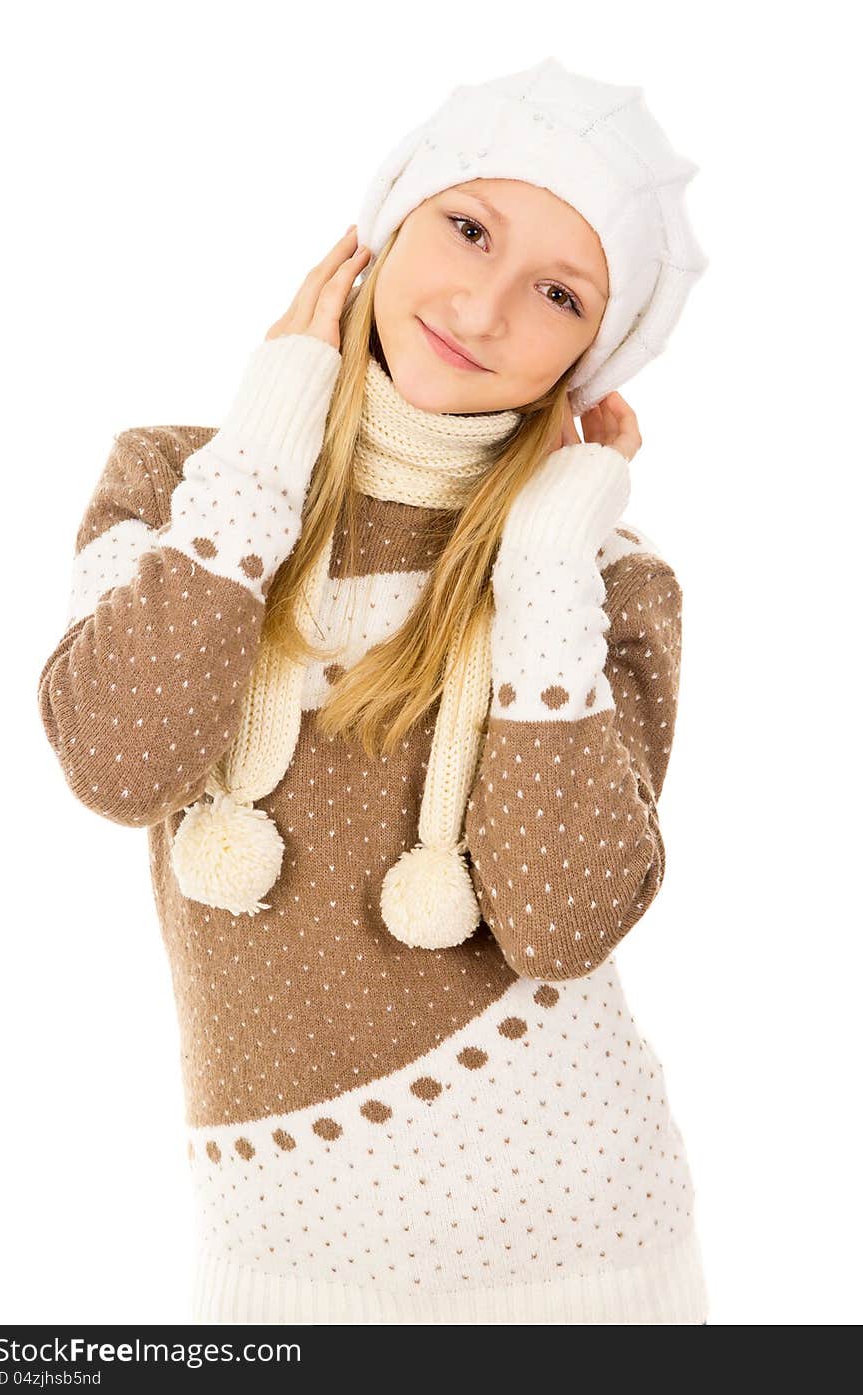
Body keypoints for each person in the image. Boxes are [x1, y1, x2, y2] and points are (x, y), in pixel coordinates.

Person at [37, 56, 710, 1324]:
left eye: (558, 293)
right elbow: (119, 764)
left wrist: (551, 558)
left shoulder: (606, 579)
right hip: (273, 1249)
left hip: (582, 1249)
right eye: (467, 228)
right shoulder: (184, 481)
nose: (484, 301)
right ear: (383, 226)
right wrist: (273, 431)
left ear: (592, 354)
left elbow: (560, 924)